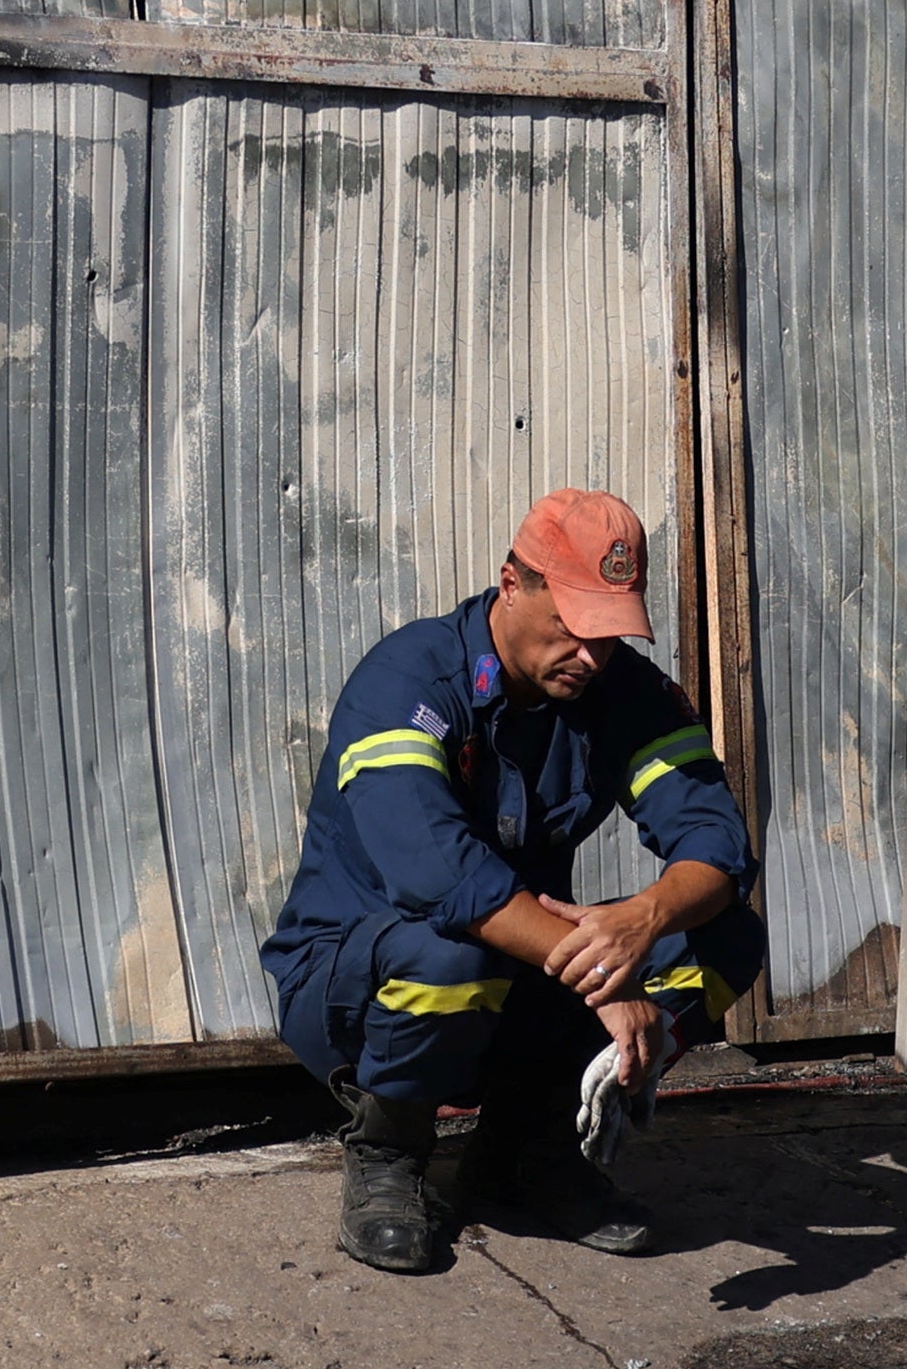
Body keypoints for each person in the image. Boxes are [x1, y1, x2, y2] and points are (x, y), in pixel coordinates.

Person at [264, 489, 762, 1274]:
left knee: (727, 938)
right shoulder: (408, 681)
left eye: (609, 633)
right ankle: (389, 1153)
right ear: (512, 583)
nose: (591, 656)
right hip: (356, 985)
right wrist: (602, 972)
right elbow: (441, 879)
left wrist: (641, 919)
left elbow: (718, 845)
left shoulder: (620, 692)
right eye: (571, 625)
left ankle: (529, 1154)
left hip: (520, 968)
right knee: (449, 957)